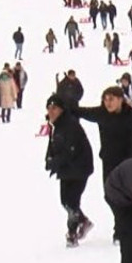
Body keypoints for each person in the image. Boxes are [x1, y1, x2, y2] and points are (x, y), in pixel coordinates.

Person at [45, 94, 95, 247]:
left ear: (61, 110)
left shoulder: (69, 125)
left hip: (79, 168)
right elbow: (53, 146)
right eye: (49, 108)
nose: (51, 111)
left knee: (71, 201)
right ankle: (83, 222)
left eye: (54, 108)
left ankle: (72, 234)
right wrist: (49, 159)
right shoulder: (57, 125)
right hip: (67, 168)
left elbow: (71, 150)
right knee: (65, 201)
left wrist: (55, 162)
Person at [73, 86, 132, 184]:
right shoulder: (102, 113)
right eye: (105, 99)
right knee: (109, 192)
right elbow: (82, 112)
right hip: (108, 161)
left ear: (120, 99)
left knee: (125, 194)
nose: (108, 103)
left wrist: (131, 165)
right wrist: (63, 106)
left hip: (126, 164)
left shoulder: (130, 117)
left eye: (111, 99)